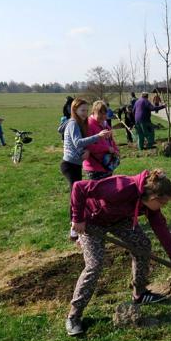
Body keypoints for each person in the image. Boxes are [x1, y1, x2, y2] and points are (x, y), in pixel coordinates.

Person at [65, 169, 171, 336]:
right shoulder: (121, 188)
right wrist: (78, 218)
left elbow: (161, 228)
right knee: (95, 264)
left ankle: (140, 293)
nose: (163, 207)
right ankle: (74, 315)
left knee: (142, 245)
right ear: (153, 197)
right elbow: (79, 187)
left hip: (119, 220)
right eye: (163, 203)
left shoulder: (149, 204)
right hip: (92, 220)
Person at [58, 98, 112, 241]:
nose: (85, 113)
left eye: (86, 110)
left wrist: (86, 150)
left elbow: (80, 143)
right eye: (82, 110)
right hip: (69, 165)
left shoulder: (79, 123)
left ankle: (76, 226)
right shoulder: (73, 123)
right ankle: (74, 230)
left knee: (77, 195)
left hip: (75, 164)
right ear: (74, 110)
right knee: (75, 196)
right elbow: (77, 142)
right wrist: (98, 136)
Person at [83, 101, 120, 180]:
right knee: (99, 191)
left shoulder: (105, 124)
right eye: (100, 113)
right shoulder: (89, 125)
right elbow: (89, 146)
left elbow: (111, 141)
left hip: (107, 164)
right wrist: (107, 148)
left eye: (104, 113)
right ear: (93, 112)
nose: (103, 116)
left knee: (108, 190)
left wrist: (116, 150)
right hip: (94, 167)